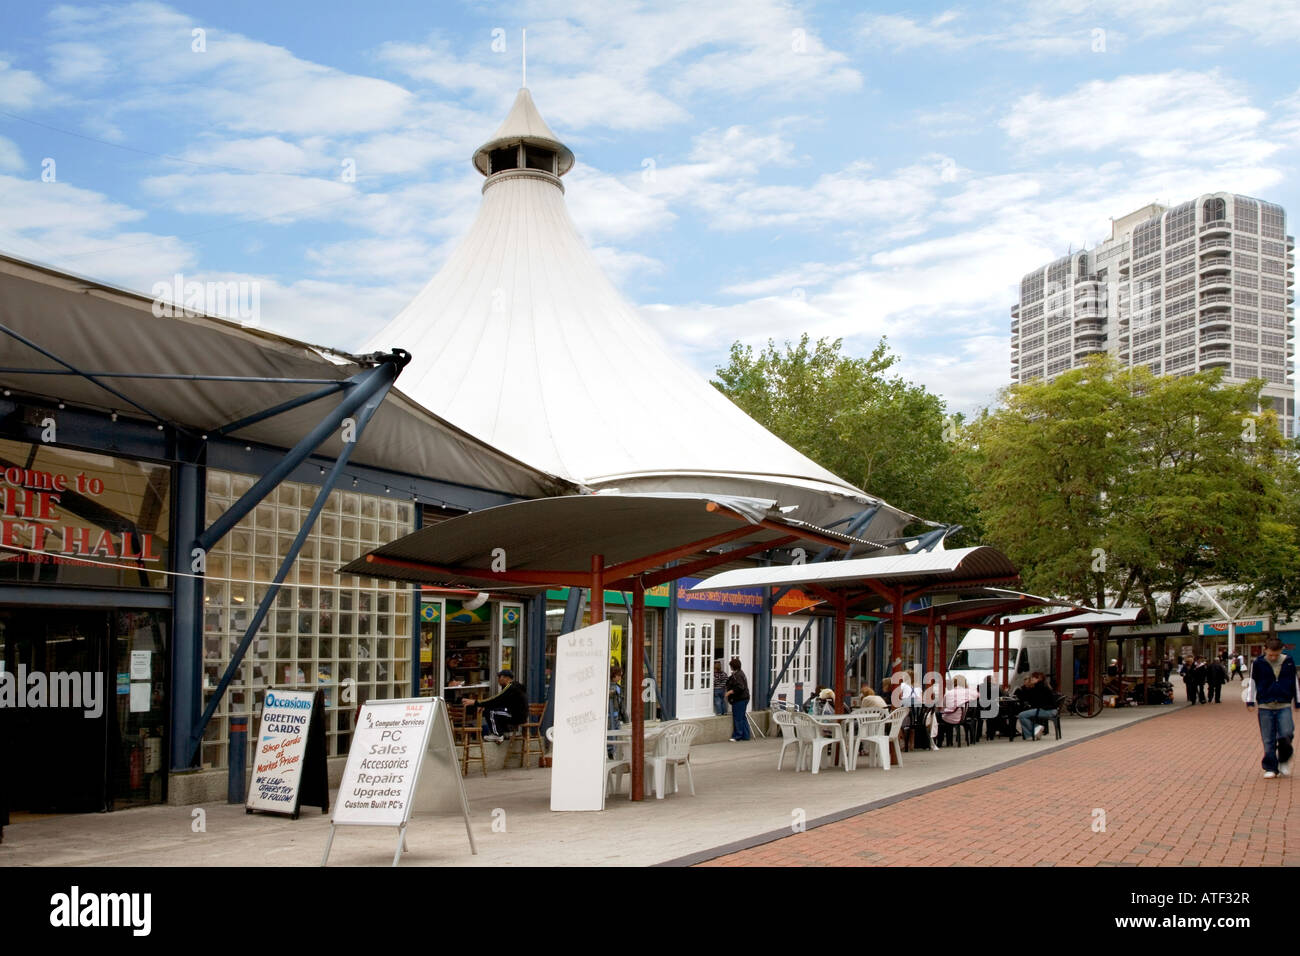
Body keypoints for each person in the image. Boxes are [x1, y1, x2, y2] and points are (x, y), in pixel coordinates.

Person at [1244, 638, 1298, 779]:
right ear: (1265, 649)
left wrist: (1297, 702)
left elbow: (1295, 681)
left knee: (1286, 733)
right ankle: (1271, 767)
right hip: (1265, 705)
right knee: (1268, 739)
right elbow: (1252, 682)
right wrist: (1250, 701)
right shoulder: (1258, 663)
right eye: (1270, 655)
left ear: (1281, 650)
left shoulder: (1288, 661)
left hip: (1284, 704)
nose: (1273, 657)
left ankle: (1284, 760)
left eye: (1276, 654)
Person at [465, 669, 528, 741]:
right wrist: (483, 705)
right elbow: (500, 702)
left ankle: (497, 734)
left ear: (506, 678)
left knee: (490, 711)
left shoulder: (510, 687)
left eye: (500, 677)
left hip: (516, 716)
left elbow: (496, 699)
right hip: (517, 715)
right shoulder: (513, 687)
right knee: (495, 710)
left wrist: (476, 702)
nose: (498, 679)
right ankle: (504, 732)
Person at [1014, 672, 1059, 741]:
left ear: (1038, 679)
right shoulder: (1043, 686)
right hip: (1052, 710)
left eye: (1033, 677)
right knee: (1025, 715)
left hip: (1046, 710)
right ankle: (1035, 732)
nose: (1031, 679)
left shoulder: (1037, 687)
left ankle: (1036, 729)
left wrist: (1023, 688)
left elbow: (1027, 699)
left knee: (1021, 715)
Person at [724, 657, 751, 741]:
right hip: (744, 698)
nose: (730, 667)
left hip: (740, 699)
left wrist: (729, 692)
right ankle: (746, 735)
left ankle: (737, 736)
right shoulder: (740, 673)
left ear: (733, 666)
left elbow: (740, 687)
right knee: (742, 717)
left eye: (731, 666)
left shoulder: (737, 675)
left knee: (738, 718)